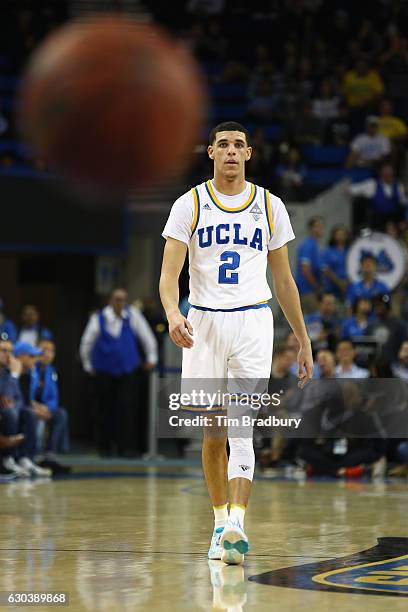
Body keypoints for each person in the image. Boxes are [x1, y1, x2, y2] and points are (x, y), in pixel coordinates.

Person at [159, 121, 313, 565]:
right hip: (203, 322)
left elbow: (284, 280)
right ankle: (218, 521)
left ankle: (236, 525)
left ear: (249, 154)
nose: (230, 152)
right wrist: (173, 313)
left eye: (238, 146)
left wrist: (302, 339)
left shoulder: (269, 205)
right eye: (222, 145)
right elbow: (170, 275)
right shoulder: (189, 204)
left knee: (242, 425)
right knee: (214, 430)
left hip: (252, 321)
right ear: (210, 153)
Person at [79, 288, 158, 456]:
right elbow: (86, 343)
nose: (119, 303)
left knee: (127, 409)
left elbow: (147, 337)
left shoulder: (133, 315)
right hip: (103, 371)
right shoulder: (98, 318)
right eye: (116, 299)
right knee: (104, 410)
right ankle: (104, 447)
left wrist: (151, 357)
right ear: (110, 300)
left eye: (123, 299)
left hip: (128, 370)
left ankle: (126, 448)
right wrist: (87, 364)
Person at [31, 339, 71, 474]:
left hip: (44, 409)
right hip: (30, 406)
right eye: (44, 349)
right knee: (33, 417)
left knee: (61, 414)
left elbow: (54, 397)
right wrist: (36, 408)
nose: (48, 354)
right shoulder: (31, 367)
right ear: (36, 351)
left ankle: (50, 457)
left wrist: (48, 408)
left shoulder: (51, 371)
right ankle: (31, 457)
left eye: (51, 350)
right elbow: (25, 393)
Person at [366, 294, 408, 363]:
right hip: (376, 366)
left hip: (396, 366)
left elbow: (405, 346)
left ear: (387, 306)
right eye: (375, 306)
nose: (377, 308)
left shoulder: (400, 325)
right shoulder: (370, 326)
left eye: (379, 305)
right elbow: (367, 349)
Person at [295, 216, 324, 313]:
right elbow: (305, 270)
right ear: (310, 228)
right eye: (317, 226)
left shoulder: (316, 245)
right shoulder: (307, 245)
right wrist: (316, 286)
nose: (319, 229)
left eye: (321, 226)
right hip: (307, 290)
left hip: (312, 290)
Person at [321, 225, 350, 298]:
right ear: (333, 236)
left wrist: (347, 282)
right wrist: (339, 282)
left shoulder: (350, 251)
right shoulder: (328, 251)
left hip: (348, 288)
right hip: (332, 289)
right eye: (338, 234)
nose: (340, 237)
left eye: (342, 234)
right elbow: (325, 269)